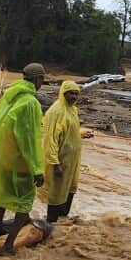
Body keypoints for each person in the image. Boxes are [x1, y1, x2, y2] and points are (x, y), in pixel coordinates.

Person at [0, 63, 46, 254]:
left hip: (6, 156)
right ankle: (8, 245)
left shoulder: (11, 95)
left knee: (5, 195)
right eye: (42, 79)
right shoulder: (30, 103)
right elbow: (28, 139)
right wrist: (36, 168)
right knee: (25, 201)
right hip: (21, 161)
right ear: (37, 79)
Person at [41, 80, 88, 223]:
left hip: (72, 159)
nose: (74, 97)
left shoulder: (73, 110)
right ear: (63, 94)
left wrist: (81, 134)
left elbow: (68, 131)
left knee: (70, 188)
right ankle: (51, 221)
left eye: (76, 94)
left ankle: (62, 219)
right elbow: (51, 139)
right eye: (71, 94)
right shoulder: (56, 112)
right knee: (56, 191)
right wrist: (55, 163)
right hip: (60, 160)